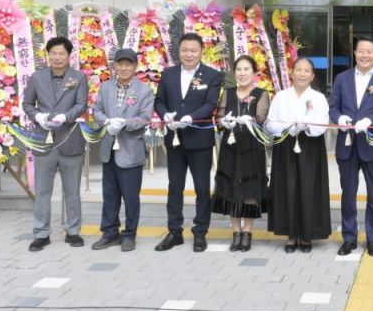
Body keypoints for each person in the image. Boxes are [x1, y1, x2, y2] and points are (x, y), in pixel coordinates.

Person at [154, 33, 223, 253]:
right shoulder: (168, 74)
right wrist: (165, 115)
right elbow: (159, 101)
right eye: (185, 50)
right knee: (175, 187)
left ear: (202, 51)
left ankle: (200, 231)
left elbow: (210, 104)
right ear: (179, 51)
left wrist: (191, 118)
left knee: (202, 188)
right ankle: (174, 232)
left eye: (193, 50)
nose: (189, 54)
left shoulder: (212, 75)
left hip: (199, 140)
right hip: (174, 139)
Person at [329, 37, 373, 257]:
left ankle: (372, 238)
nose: (365, 55)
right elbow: (333, 107)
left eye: (369, 51)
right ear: (355, 53)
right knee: (348, 193)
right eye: (361, 51)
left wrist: (370, 120)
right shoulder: (342, 78)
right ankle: (349, 238)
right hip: (347, 143)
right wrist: (339, 118)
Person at [22, 36, 88, 252]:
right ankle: (41, 233)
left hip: (70, 140)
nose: (57, 57)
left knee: (72, 191)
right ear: (48, 55)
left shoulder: (79, 77)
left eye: (61, 53)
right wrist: (37, 116)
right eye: (53, 53)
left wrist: (65, 117)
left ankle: (73, 231)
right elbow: (27, 103)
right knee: (42, 191)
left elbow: (81, 104)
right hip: (44, 141)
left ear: (69, 56)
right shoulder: (37, 77)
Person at [91, 48, 155, 252]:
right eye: (121, 64)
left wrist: (124, 123)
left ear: (136, 66)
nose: (124, 68)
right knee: (109, 194)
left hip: (131, 150)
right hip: (109, 148)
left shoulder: (144, 90)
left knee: (130, 196)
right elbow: (96, 110)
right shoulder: (106, 87)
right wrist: (106, 121)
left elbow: (145, 117)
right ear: (115, 66)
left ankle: (129, 234)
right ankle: (109, 233)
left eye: (129, 64)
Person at [266, 57, 332, 252]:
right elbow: (270, 123)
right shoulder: (281, 96)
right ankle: (290, 234)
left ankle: (307, 234)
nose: (302, 74)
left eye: (307, 71)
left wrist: (306, 126)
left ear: (312, 76)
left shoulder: (318, 98)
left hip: (310, 145)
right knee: (287, 187)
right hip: (285, 144)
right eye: (299, 70)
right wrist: (288, 127)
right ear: (291, 73)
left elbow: (323, 123)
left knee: (309, 188)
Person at [212, 55, 270, 252]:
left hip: (251, 148)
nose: (242, 73)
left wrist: (250, 120)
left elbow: (261, 119)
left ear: (254, 73)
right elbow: (219, 118)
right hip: (230, 147)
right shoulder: (227, 93)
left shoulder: (261, 93)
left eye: (246, 69)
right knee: (230, 189)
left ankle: (248, 232)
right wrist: (223, 121)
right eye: (239, 69)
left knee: (249, 190)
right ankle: (236, 232)